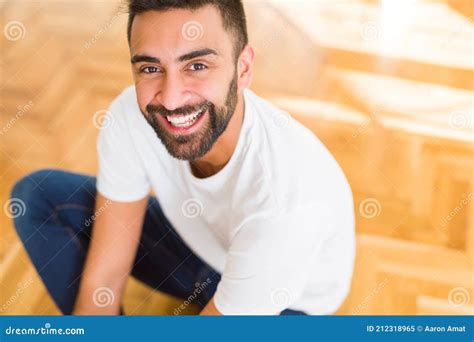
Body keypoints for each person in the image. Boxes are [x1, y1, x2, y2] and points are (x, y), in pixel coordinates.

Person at [11, 0, 355, 315]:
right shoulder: (130, 117)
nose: (172, 99)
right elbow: (105, 279)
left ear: (244, 68)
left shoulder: (286, 201)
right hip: (201, 258)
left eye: (197, 65)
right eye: (150, 69)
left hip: (287, 309)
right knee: (39, 196)